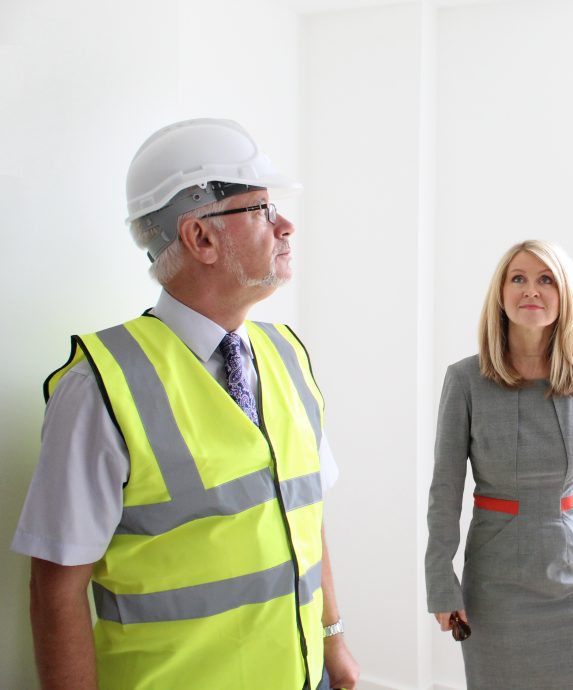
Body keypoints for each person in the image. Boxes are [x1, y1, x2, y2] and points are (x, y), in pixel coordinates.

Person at [11, 118, 360, 690]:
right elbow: (56, 589)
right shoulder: (101, 386)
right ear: (200, 237)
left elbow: (305, 512)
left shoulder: (287, 355)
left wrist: (333, 637)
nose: (287, 226)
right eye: (263, 210)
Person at [425, 240, 573, 690]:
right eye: (518, 278)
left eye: (545, 279)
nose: (531, 290)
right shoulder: (465, 380)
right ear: (501, 294)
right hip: (496, 585)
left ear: (564, 295)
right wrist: (441, 579)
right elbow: (445, 488)